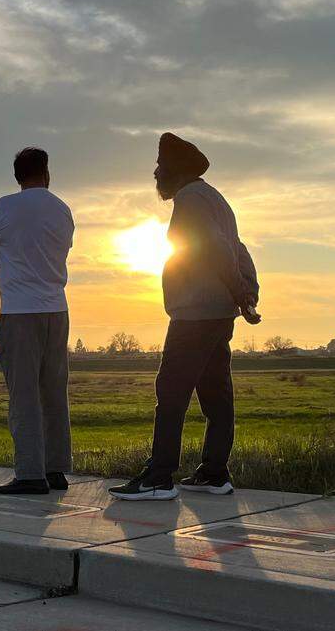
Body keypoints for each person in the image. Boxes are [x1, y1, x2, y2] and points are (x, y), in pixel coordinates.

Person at [109, 132, 260, 501]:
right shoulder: (215, 198)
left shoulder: (190, 199)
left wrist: (243, 294)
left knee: (172, 391)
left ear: (175, 170)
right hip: (217, 312)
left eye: (160, 167)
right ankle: (214, 473)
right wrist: (247, 294)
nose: (155, 173)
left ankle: (158, 477)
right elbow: (239, 248)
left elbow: (218, 248)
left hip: (196, 313)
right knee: (216, 395)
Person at [0, 147, 75, 494]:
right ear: (47, 173)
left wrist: (12, 256)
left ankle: (30, 472)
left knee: (24, 394)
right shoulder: (62, 209)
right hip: (57, 308)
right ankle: (56, 469)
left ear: (17, 176)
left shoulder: (5, 206)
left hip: (19, 310)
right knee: (54, 391)